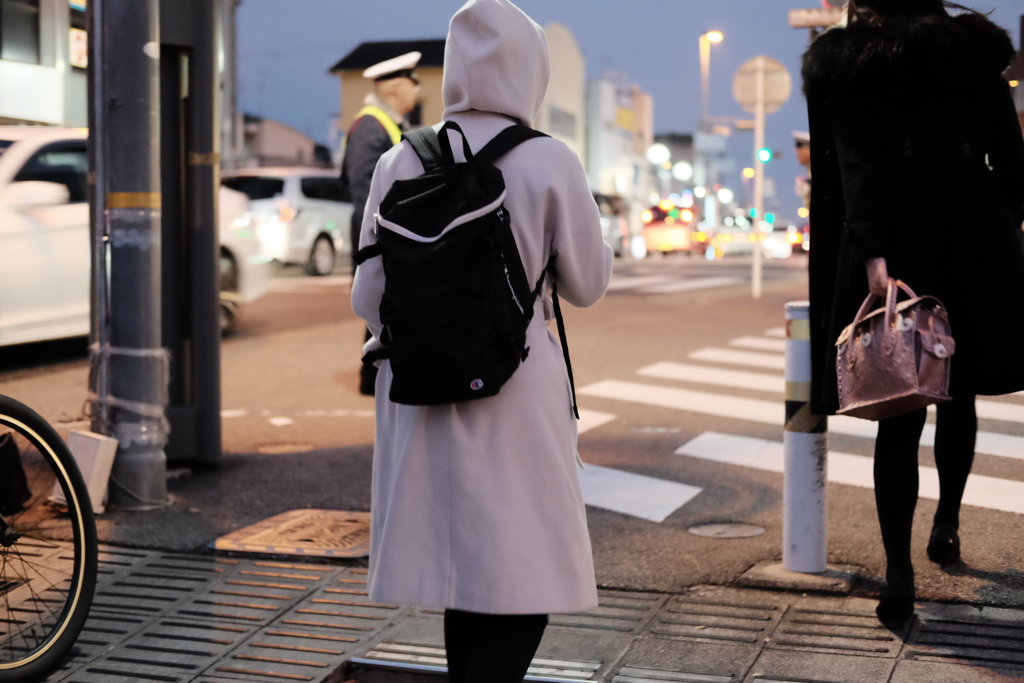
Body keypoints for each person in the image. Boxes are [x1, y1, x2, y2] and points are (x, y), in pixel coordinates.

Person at [351, 0, 614, 678]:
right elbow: (586, 284)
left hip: (419, 386)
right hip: (517, 386)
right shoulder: (551, 160)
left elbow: (367, 295)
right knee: (526, 572)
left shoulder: (400, 161)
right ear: (531, 70)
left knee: (460, 573)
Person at [802, 0, 1024, 625]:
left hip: (896, 240)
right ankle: (947, 521)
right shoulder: (975, 51)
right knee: (963, 389)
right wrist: (996, 227)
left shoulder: (848, 62)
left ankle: (898, 578)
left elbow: (855, 170)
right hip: (974, 237)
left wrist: (873, 254)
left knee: (898, 408)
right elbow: (1011, 161)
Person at [341, 51, 421, 395]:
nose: (418, 91)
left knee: (386, 310)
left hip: (387, 237)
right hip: (379, 239)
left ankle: (375, 379)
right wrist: (374, 248)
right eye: (414, 84)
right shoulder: (371, 126)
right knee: (380, 308)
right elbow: (363, 192)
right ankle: (372, 380)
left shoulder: (384, 123)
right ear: (396, 88)